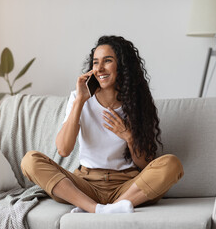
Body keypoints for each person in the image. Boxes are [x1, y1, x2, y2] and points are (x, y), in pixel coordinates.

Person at [21, 35, 184, 214]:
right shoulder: (79, 98)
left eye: (107, 61)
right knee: (30, 160)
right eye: (95, 62)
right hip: (86, 185)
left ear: (122, 66)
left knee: (171, 164)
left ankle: (110, 208)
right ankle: (95, 208)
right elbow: (63, 150)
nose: (99, 68)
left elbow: (145, 164)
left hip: (127, 186)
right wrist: (80, 101)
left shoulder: (137, 103)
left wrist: (128, 136)